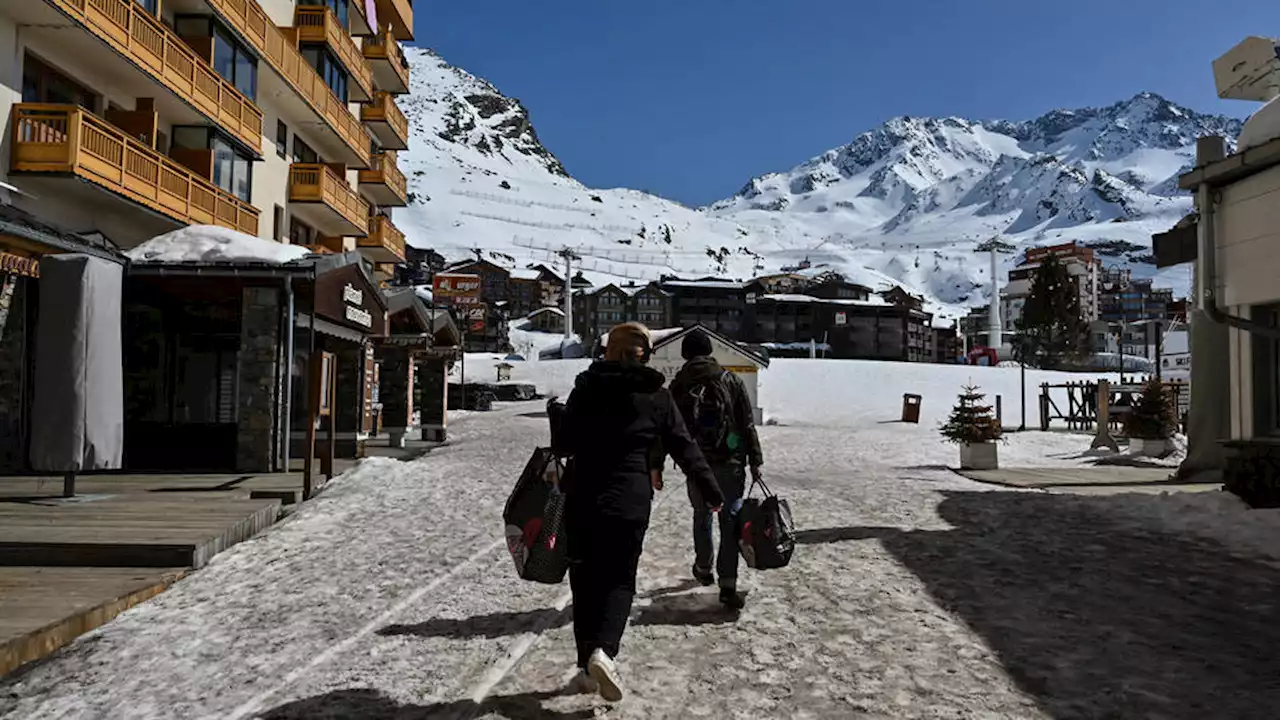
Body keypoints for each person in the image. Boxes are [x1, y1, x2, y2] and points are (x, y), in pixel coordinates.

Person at [551, 322, 723, 702]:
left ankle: (587, 664)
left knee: (585, 581)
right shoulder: (656, 395)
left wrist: (558, 417)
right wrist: (711, 489)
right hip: (629, 501)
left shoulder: (586, 388)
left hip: (583, 498)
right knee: (619, 579)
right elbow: (684, 445)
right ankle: (604, 652)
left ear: (609, 350)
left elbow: (564, 445)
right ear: (643, 352)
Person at [664, 329, 763, 610]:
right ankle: (728, 585)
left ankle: (703, 566)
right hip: (731, 463)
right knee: (729, 520)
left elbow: (669, 428)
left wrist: (657, 464)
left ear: (685, 354)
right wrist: (755, 460)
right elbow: (746, 424)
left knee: (702, 514)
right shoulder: (730, 380)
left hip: (696, 464)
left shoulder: (679, 384)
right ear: (709, 351)